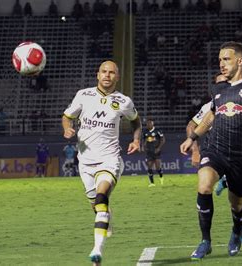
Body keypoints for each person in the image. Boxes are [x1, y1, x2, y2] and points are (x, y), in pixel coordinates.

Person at [180, 41, 242, 259]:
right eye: (219, 60)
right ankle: (205, 241)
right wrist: (193, 137)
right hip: (215, 149)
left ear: (240, 61)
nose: (221, 64)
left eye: (226, 59)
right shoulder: (218, 88)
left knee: (238, 204)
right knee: (205, 184)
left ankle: (236, 232)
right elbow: (211, 116)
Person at [62, 60, 141, 265]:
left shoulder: (123, 101)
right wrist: (67, 128)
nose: (107, 75)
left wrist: (136, 139)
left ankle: (97, 251)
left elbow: (135, 120)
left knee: (101, 196)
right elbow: (67, 116)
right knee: (96, 205)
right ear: (98, 75)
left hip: (109, 159)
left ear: (117, 77)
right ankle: (106, 218)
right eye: (104, 72)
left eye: (112, 72)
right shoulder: (83, 95)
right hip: (85, 161)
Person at [142, 119, 165, 187]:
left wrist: (158, 148)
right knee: (149, 167)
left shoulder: (157, 131)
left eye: (149, 123)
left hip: (156, 152)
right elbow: (144, 140)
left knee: (158, 167)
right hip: (149, 152)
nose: (148, 125)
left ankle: (161, 178)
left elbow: (163, 139)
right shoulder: (145, 132)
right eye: (147, 124)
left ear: (152, 124)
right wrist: (143, 147)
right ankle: (152, 183)